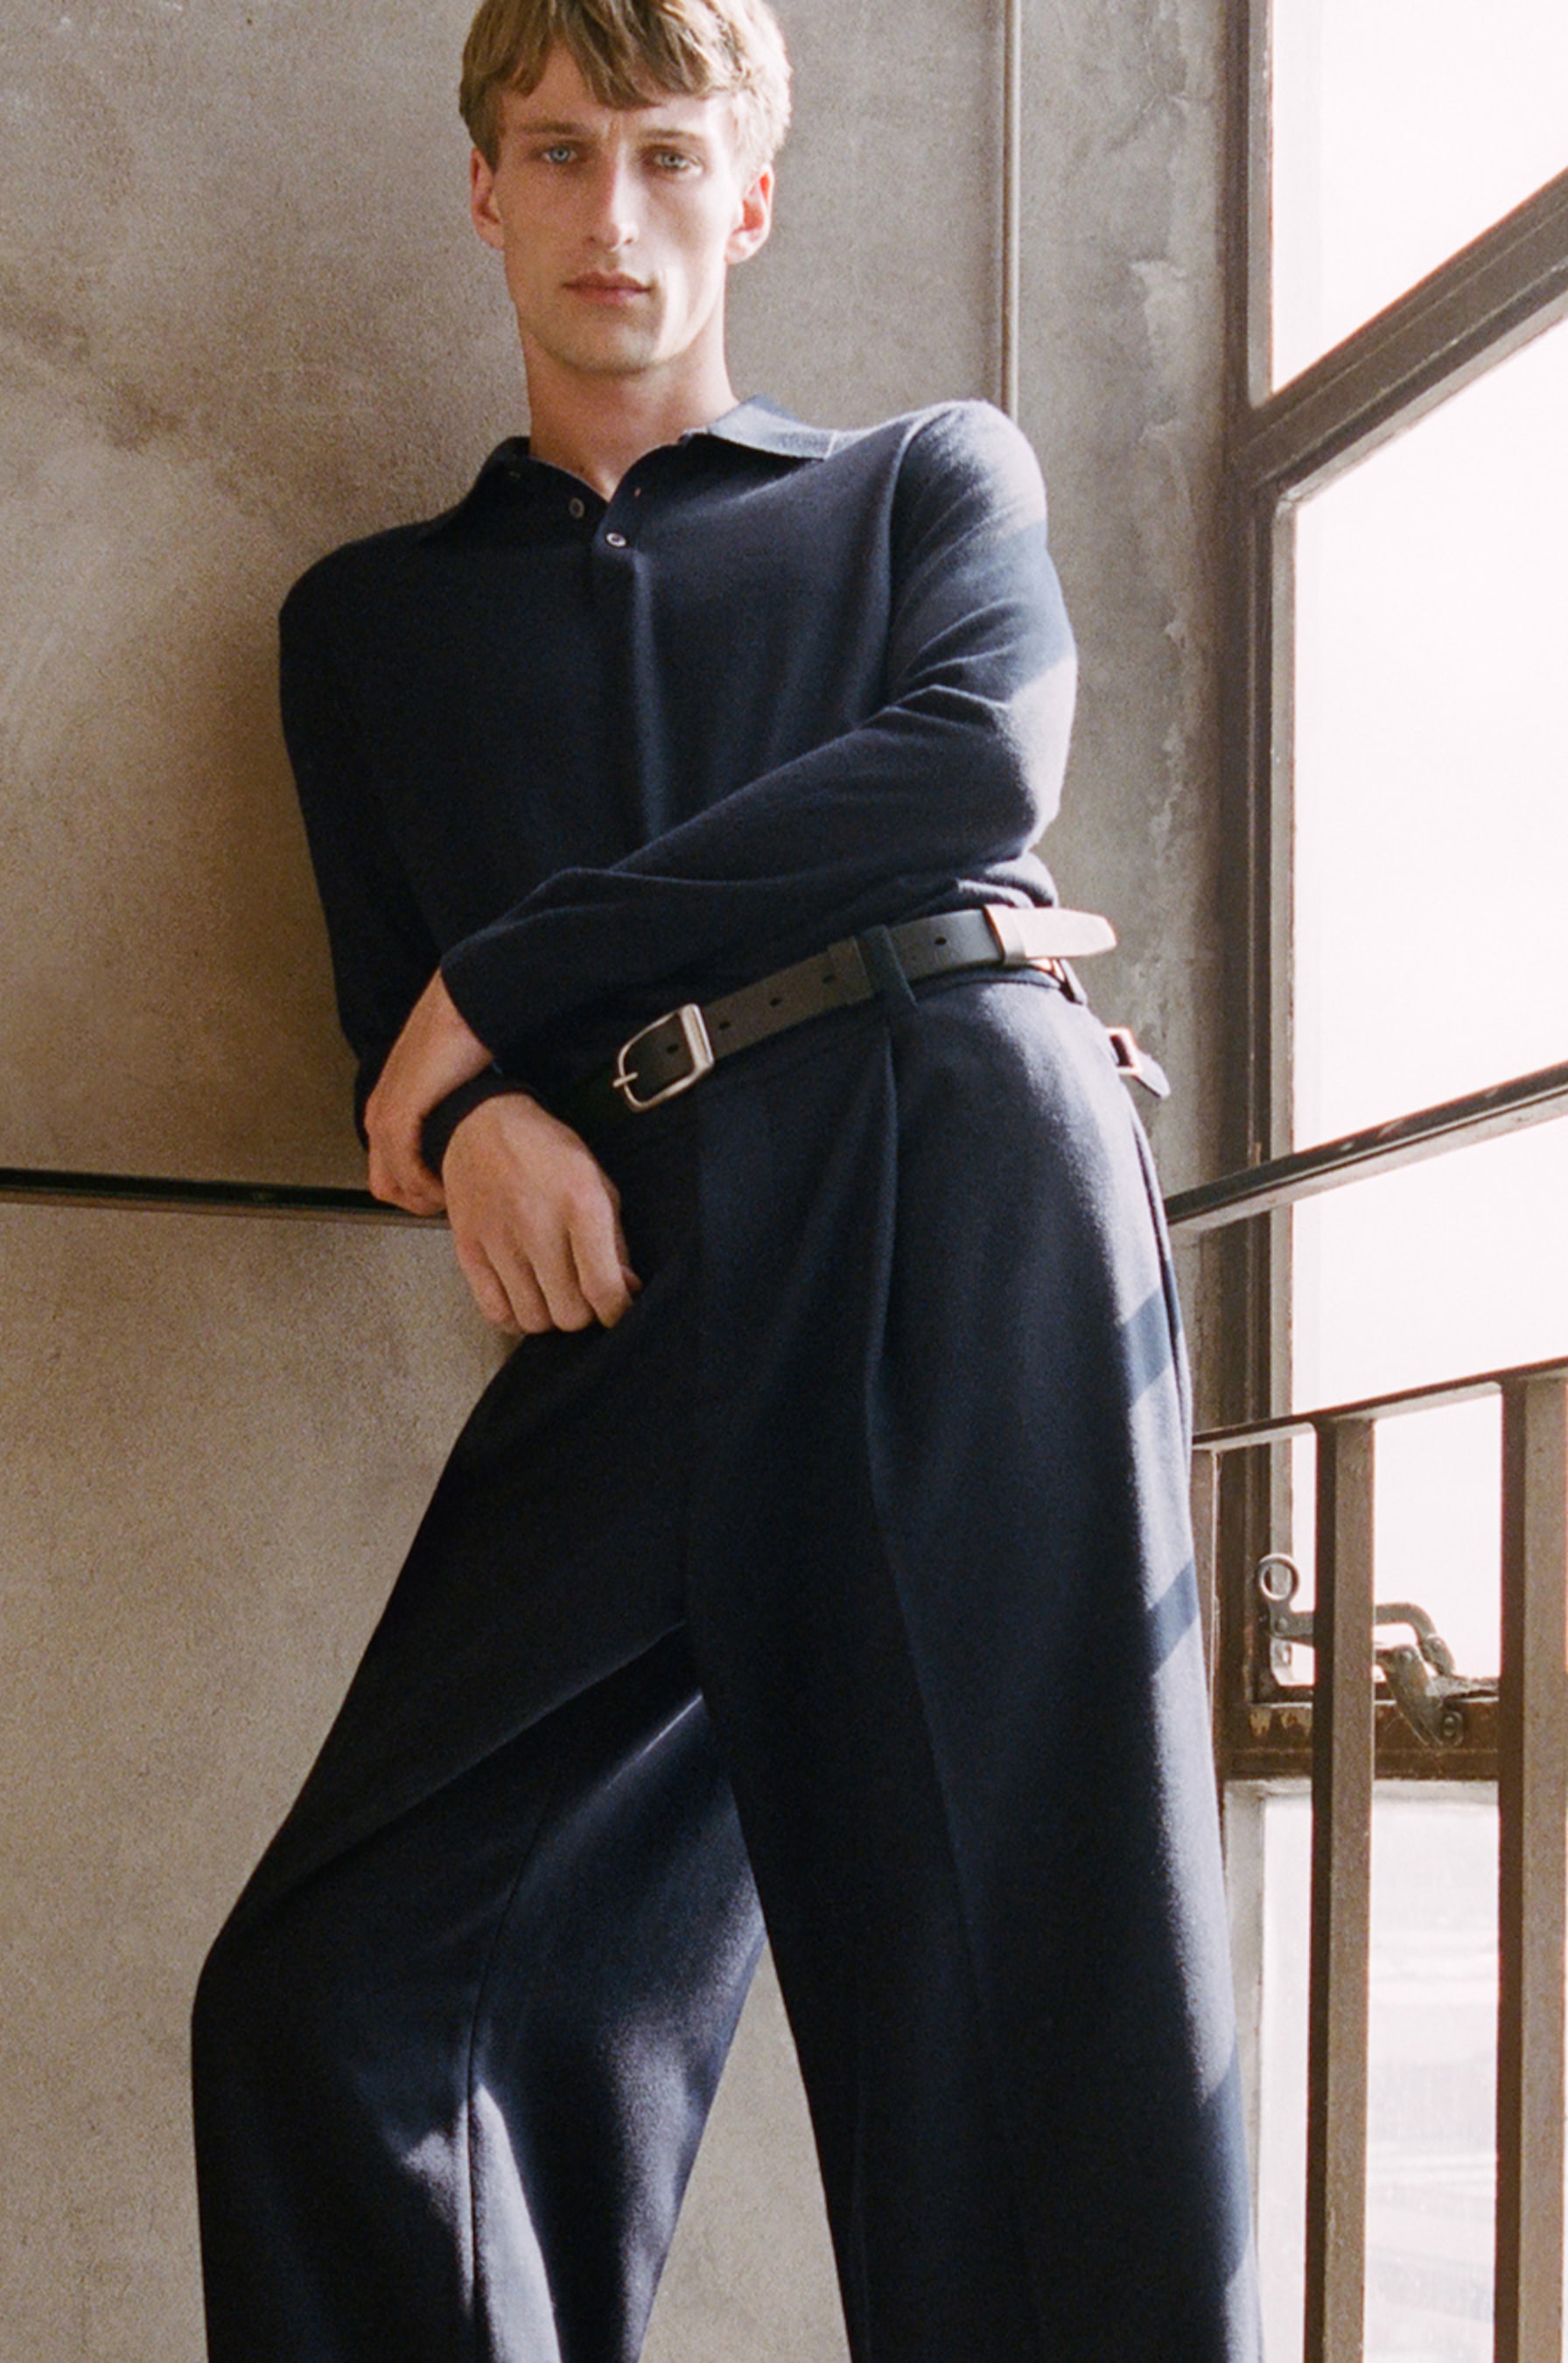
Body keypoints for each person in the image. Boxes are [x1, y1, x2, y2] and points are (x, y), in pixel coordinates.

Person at [192, 3, 1260, 2357]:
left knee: (1031, 1999)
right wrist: (474, 1102)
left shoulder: (922, 484)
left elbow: (969, 763)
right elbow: (395, 1043)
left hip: (950, 1176)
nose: (613, 213)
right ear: (483, 188)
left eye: (669, 157)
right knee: (345, 1995)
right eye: (559, 155)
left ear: (748, 199)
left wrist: (517, 981)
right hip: (646, 1294)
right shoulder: (362, 626)